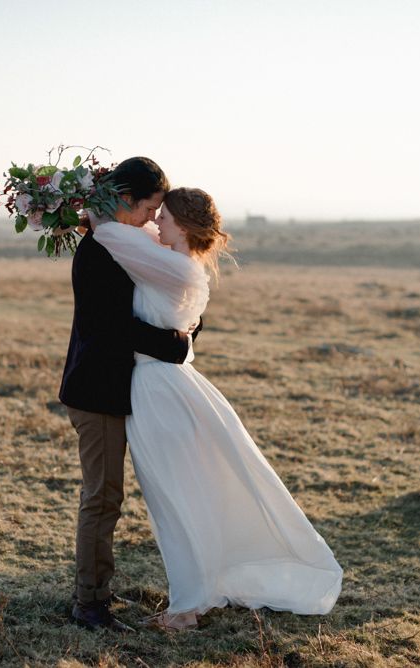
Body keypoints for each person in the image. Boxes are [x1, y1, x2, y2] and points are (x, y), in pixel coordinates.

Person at [92, 187, 343, 632]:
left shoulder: (173, 266)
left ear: (183, 226)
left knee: (174, 499)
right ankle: (193, 595)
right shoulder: (178, 261)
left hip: (158, 392)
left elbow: (110, 233)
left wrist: (84, 207)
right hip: (163, 387)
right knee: (177, 498)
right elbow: (139, 235)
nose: (156, 223)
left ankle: (186, 607)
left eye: (164, 217)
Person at [58, 158, 202, 632]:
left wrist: (186, 322)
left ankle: (96, 588)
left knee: (106, 498)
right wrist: (176, 347)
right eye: (150, 208)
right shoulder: (98, 251)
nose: (150, 219)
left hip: (118, 389)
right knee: (102, 499)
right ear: (127, 199)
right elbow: (113, 328)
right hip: (97, 390)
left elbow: (158, 297)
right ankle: (89, 604)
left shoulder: (121, 243)